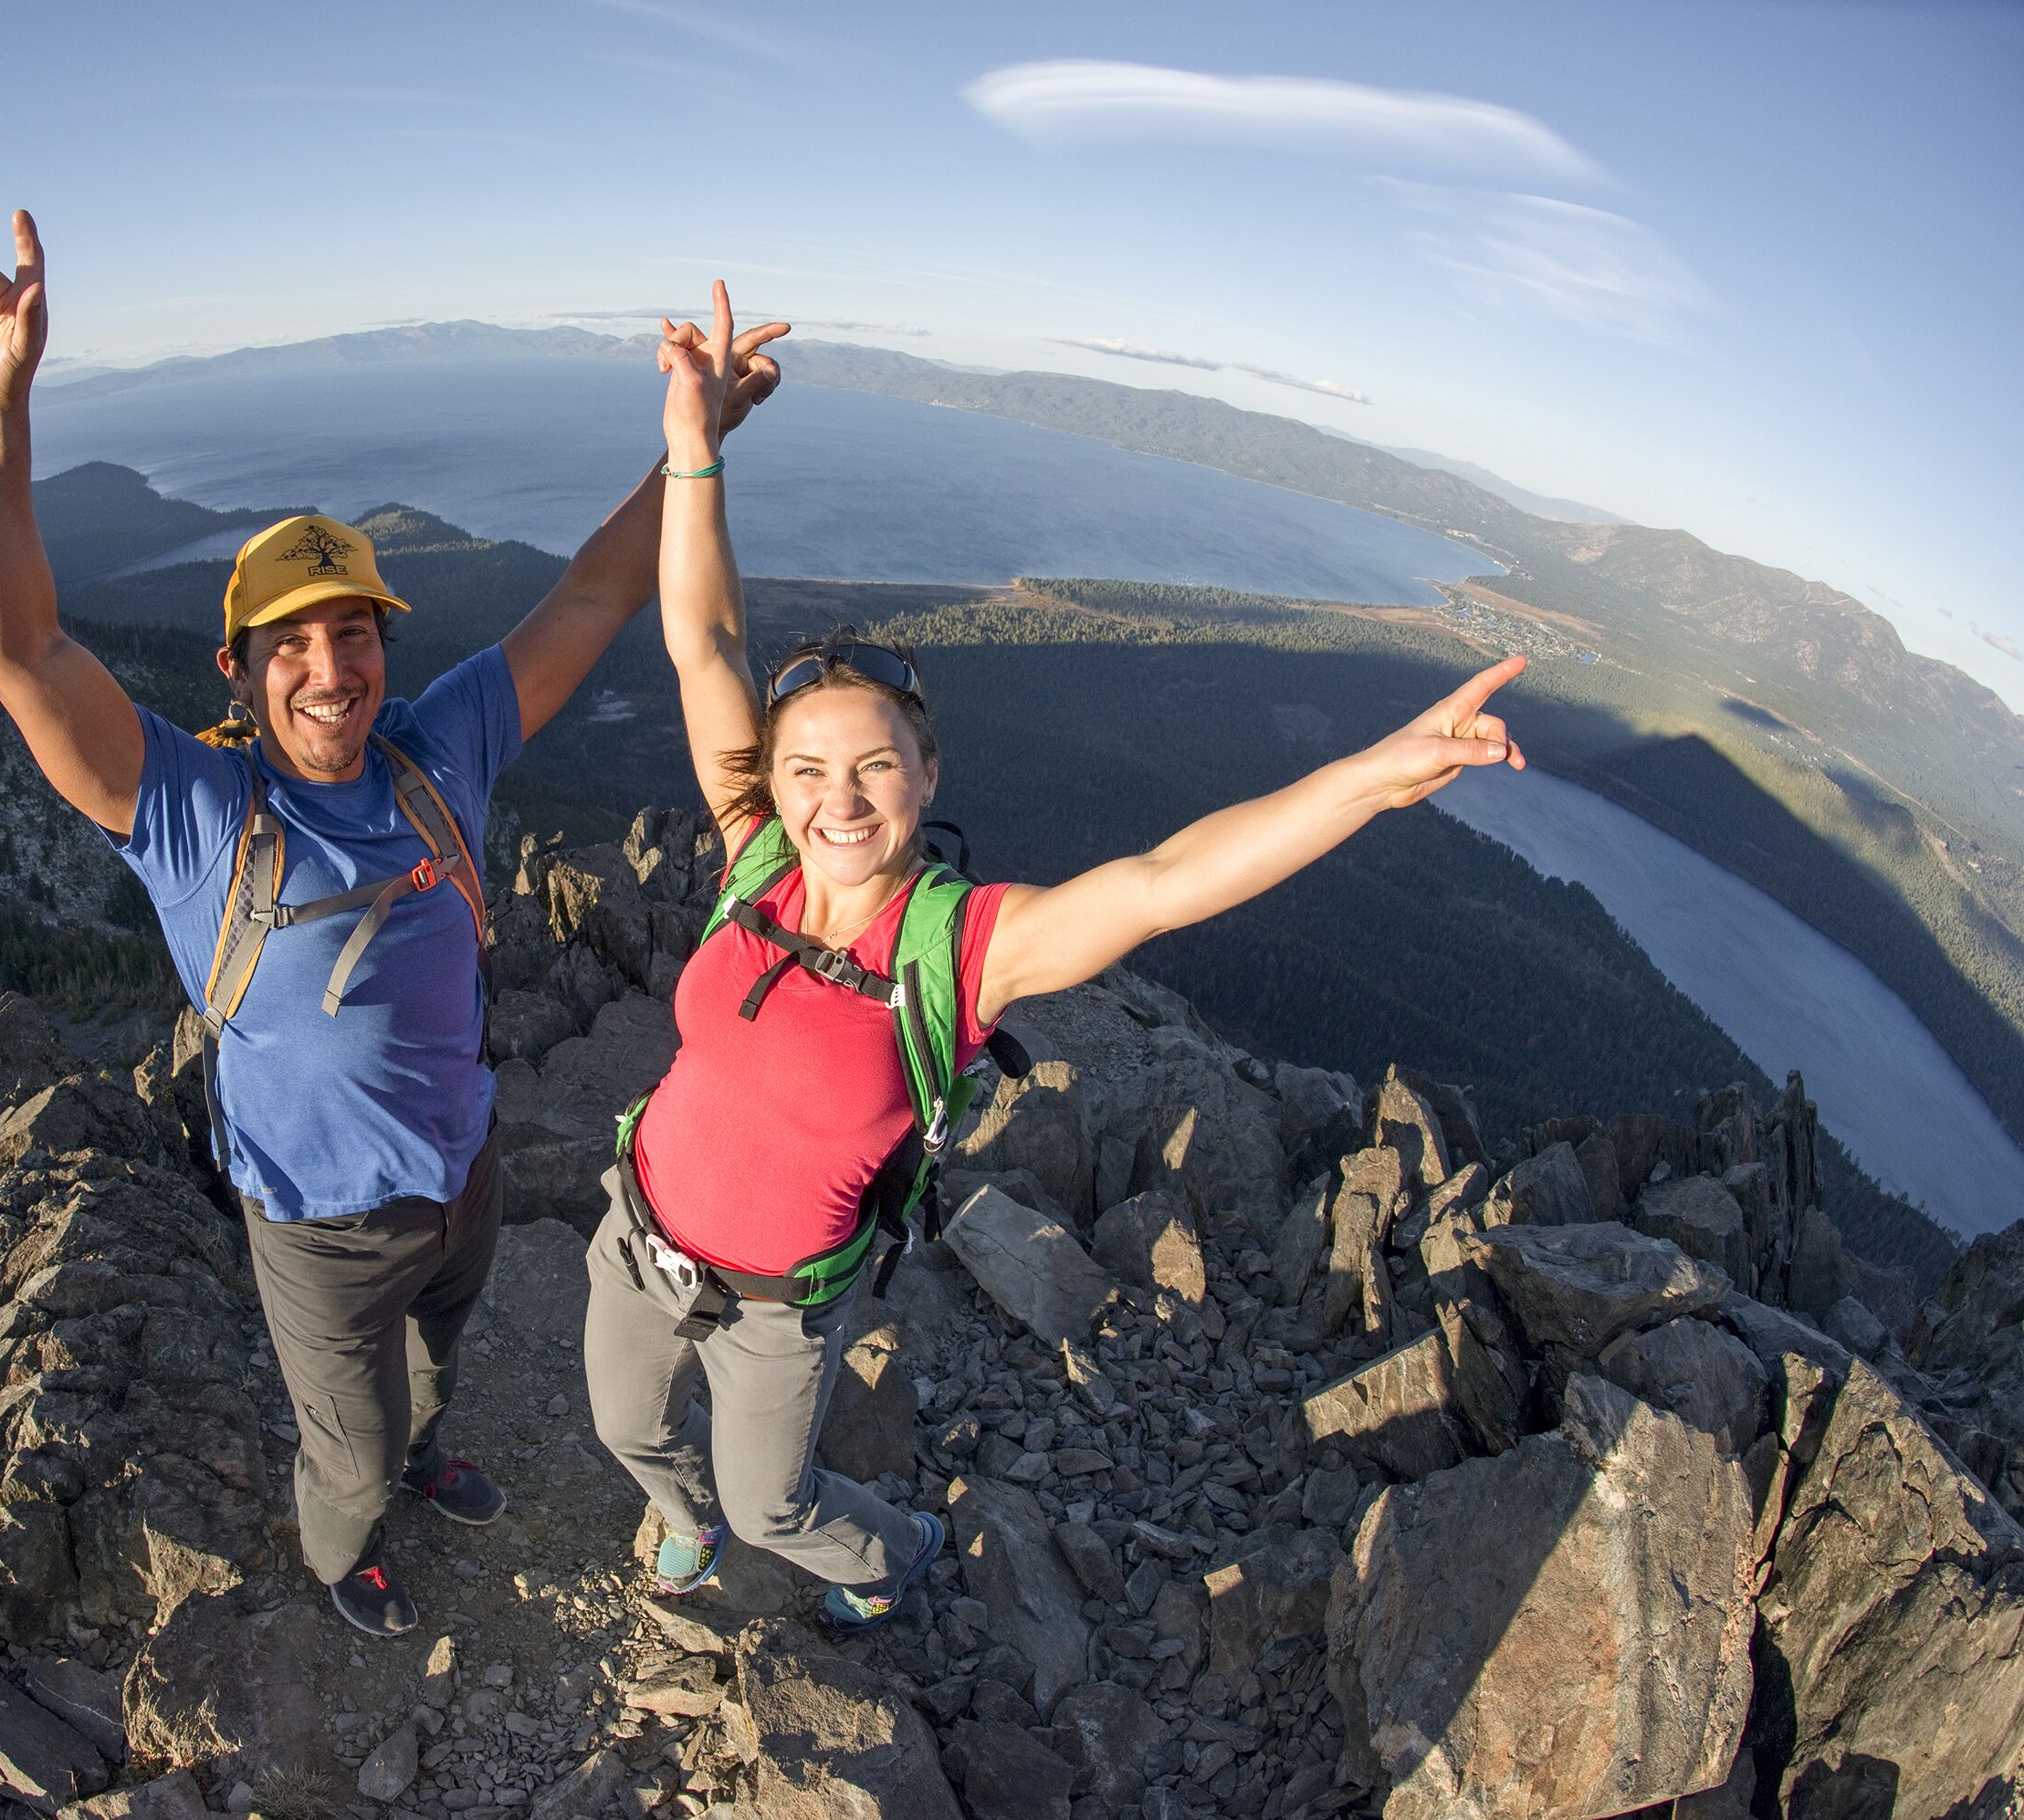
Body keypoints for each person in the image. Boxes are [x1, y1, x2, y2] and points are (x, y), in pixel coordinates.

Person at [586, 281, 1528, 1632]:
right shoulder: (754, 859)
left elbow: (1164, 882)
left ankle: (892, 1553)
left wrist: (1376, 775)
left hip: (779, 1308)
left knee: (774, 1505)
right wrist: (693, 439)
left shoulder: (964, 944)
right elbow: (704, 640)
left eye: (871, 767)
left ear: (926, 772)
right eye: (807, 768)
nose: (835, 799)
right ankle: (671, 1521)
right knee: (631, 1434)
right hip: (639, 1234)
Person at [0, 212, 790, 1636]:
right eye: (292, 645)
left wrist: (699, 441)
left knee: (443, 1368)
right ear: (240, 668)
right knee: (355, 1441)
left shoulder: (435, 745)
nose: (330, 669)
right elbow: (19, 648)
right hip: (318, 1230)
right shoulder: (195, 814)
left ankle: (432, 1452)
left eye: (355, 633)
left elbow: (593, 586)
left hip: (463, 1174)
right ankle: (345, 1552)